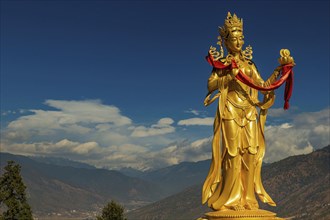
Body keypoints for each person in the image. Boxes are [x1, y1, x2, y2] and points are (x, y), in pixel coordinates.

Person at [202, 12, 294, 212]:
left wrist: (280, 71)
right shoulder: (223, 65)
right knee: (233, 154)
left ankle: (248, 197)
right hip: (230, 110)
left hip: (249, 110)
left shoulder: (249, 66)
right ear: (226, 41)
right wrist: (228, 78)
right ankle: (231, 198)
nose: (238, 41)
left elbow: (262, 86)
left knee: (251, 153)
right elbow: (211, 86)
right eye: (234, 38)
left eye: (241, 37)